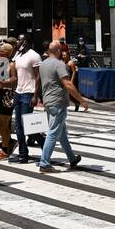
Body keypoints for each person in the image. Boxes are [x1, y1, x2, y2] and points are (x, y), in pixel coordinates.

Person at [36, 42, 87, 172]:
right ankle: (44, 162)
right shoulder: (59, 65)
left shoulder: (43, 64)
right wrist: (81, 100)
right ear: (58, 51)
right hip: (58, 102)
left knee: (61, 133)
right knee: (53, 132)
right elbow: (68, 84)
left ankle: (72, 159)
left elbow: (39, 81)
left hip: (48, 101)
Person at [11, 35, 42, 163]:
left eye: (19, 40)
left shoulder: (34, 55)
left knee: (25, 124)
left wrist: (35, 95)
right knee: (18, 125)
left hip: (28, 93)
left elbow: (38, 77)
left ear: (25, 42)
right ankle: (23, 154)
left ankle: (43, 141)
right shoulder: (18, 56)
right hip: (18, 92)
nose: (17, 42)